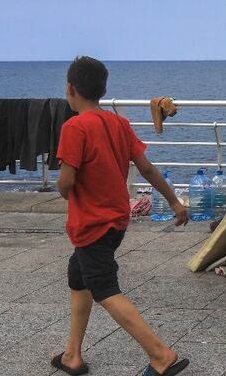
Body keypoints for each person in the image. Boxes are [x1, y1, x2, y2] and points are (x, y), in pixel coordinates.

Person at [52, 56, 190, 376]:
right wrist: (174, 203)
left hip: (92, 224)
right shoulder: (118, 123)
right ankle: (72, 354)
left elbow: (67, 182)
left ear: (70, 89)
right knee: (79, 276)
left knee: (105, 290)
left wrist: (62, 186)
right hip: (117, 221)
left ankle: (160, 355)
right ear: (103, 89)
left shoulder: (74, 127)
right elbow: (146, 169)